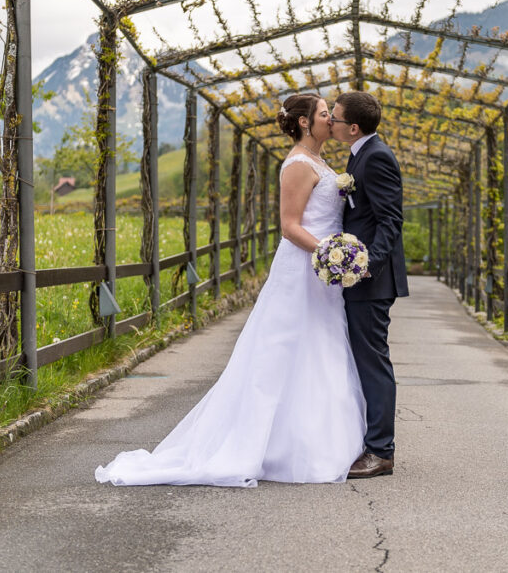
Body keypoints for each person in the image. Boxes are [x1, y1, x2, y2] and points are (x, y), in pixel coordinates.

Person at [95, 93, 366, 487]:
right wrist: (327, 251)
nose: (331, 119)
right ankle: (264, 447)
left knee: (321, 348)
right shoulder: (297, 165)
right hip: (303, 268)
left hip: (323, 275)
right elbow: (290, 226)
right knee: (282, 351)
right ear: (305, 123)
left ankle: (316, 441)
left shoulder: (324, 163)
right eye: (325, 114)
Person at [329, 91, 409, 479]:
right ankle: (371, 441)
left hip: (371, 280)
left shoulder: (375, 156)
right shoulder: (359, 153)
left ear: (353, 127)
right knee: (365, 358)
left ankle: (381, 451)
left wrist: (364, 266)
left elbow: (391, 220)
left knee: (373, 361)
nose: (331, 123)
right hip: (360, 276)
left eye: (336, 119)